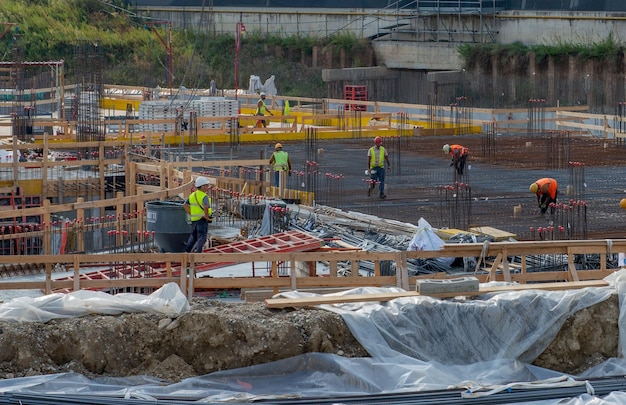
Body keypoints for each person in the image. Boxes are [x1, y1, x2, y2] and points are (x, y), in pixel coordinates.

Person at [183, 176, 213, 253]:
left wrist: (191, 213)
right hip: (202, 220)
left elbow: (185, 205)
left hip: (194, 221)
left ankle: (186, 252)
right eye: (206, 185)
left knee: (193, 237)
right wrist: (206, 216)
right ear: (202, 186)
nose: (207, 187)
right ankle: (198, 254)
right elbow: (206, 207)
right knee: (201, 238)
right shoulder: (204, 196)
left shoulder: (192, 195)